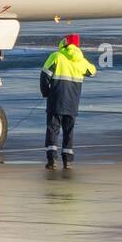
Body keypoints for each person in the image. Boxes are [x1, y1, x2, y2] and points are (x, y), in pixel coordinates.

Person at [39, 34, 97, 170]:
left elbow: (44, 75)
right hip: (72, 104)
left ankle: (52, 160)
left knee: (53, 129)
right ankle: (67, 161)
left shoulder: (56, 56)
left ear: (64, 43)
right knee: (68, 131)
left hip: (56, 101)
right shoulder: (81, 61)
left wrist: (46, 92)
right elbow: (93, 71)